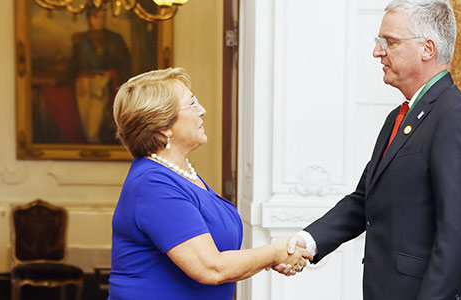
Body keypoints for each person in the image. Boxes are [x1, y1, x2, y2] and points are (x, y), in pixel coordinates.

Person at [276, 1, 461, 299]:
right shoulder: (399, 117)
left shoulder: (456, 116)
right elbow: (364, 200)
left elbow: (456, 234)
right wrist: (308, 242)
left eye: (389, 42)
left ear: (427, 49)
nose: (377, 51)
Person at [109, 68, 311, 300]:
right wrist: (275, 253)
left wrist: (270, 257)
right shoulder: (153, 184)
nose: (202, 111)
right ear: (163, 126)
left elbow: (219, 260)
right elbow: (211, 268)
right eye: (192, 104)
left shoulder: (179, 174)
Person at [66, 6, 131, 144]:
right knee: (84, 119)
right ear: (89, 19)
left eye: (102, 17)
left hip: (100, 82)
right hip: (83, 84)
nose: (100, 21)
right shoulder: (80, 40)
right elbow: (73, 64)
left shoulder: (115, 39)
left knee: (93, 125)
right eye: (96, 17)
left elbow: (123, 63)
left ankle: (93, 144)